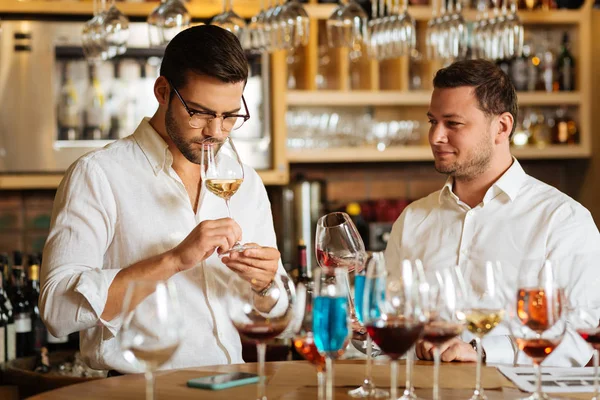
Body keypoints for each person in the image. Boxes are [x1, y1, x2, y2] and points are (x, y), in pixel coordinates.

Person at [40, 25, 287, 373]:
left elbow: (277, 312)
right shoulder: (98, 175)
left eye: (230, 116)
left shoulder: (244, 180)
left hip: (231, 385)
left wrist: (265, 285)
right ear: (162, 91)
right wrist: (173, 260)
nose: (216, 132)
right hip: (137, 390)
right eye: (199, 112)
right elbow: (57, 312)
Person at [385, 59, 600, 366]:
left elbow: (582, 333)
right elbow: (390, 320)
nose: (435, 137)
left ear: (502, 127)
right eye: (433, 121)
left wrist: (483, 352)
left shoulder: (562, 220)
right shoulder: (413, 220)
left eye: (453, 123)